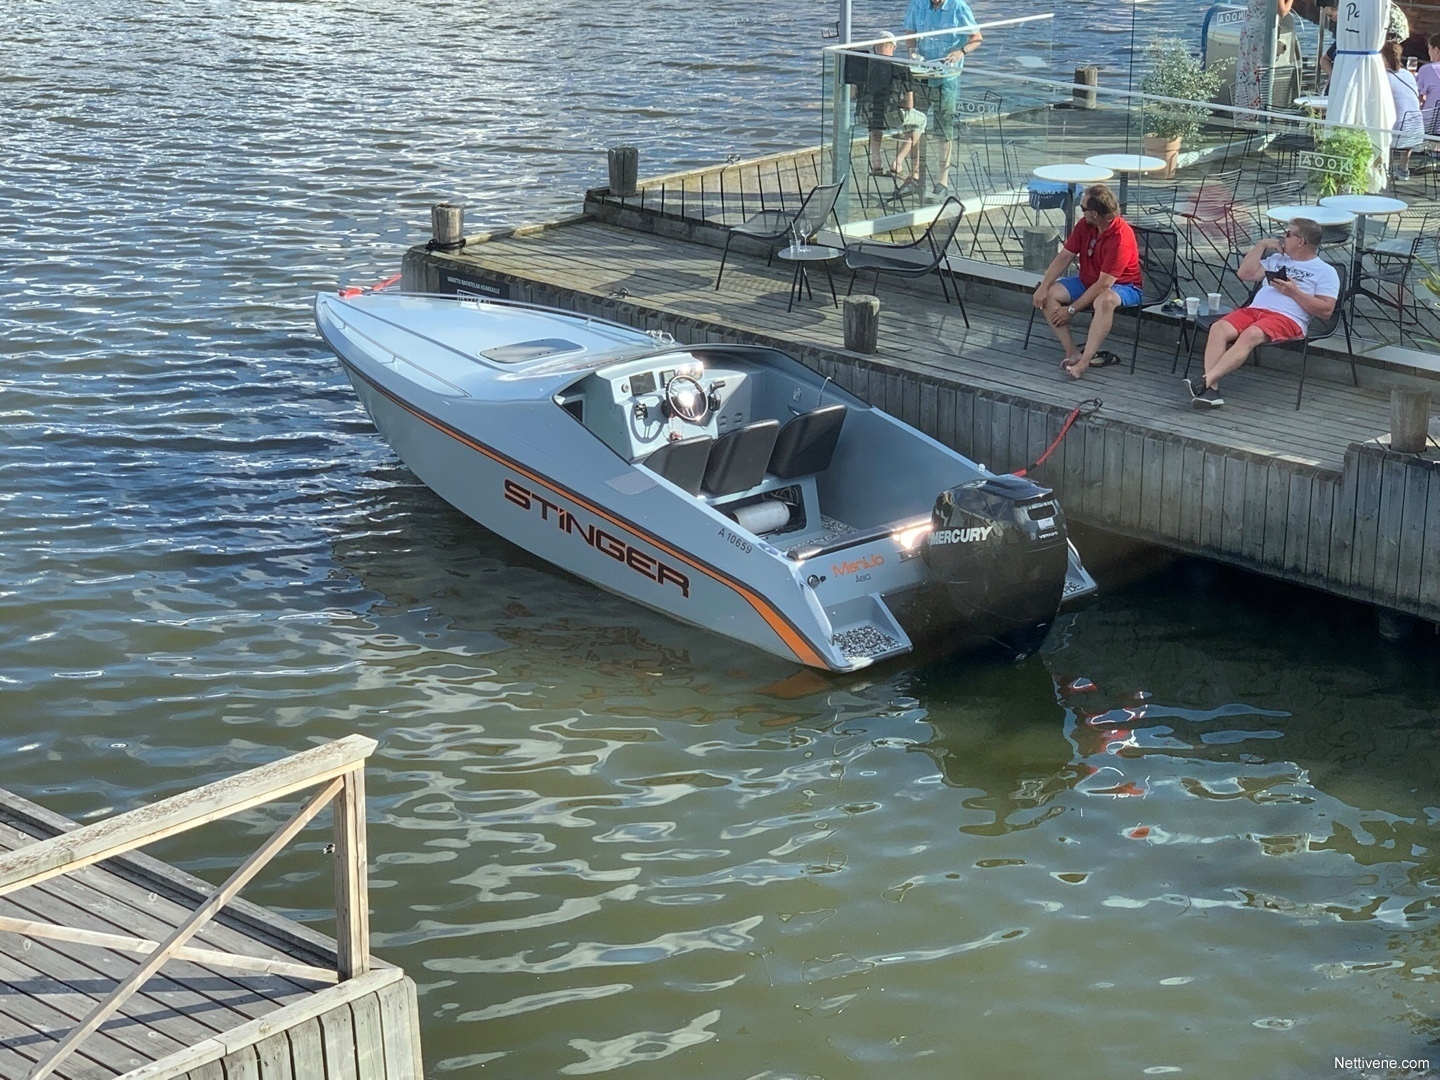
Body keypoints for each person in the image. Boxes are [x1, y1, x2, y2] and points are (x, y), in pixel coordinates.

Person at [1183, 217, 1338, 409]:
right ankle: (1210, 390)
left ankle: (1205, 381)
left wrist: (1293, 291)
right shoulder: (1277, 260)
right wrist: (1262, 244)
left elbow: (1326, 310)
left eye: (1288, 234)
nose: (1283, 237)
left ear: (1300, 241)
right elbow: (1244, 274)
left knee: (1251, 334)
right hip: (1254, 311)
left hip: (1288, 318)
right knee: (1219, 328)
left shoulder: (1325, 272)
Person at [1030, 184, 1144, 380]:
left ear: (1096, 214)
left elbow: (1104, 285)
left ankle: (1084, 362)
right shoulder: (1086, 225)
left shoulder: (1121, 237)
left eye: (1083, 208)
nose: (1080, 211)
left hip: (1124, 286)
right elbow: (1065, 256)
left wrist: (1071, 310)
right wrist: (1044, 285)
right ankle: (1072, 352)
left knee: (1105, 300)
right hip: (1088, 280)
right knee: (1049, 294)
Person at [901, 0, 982, 197]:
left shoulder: (958, 7)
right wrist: (912, 51)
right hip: (922, 74)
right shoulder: (918, 4)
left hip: (947, 77)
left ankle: (942, 182)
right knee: (914, 125)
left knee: (944, 129)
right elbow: (910, 34)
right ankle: (916, 177)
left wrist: (961, 51)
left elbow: (976, 38)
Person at [858, 32, 924, 191]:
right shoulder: (901, 68)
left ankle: (876, 162)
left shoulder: (864, 67)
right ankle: (899, 161)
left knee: (876, 118)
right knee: (921, 121)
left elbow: (854, 94)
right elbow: (909, 104)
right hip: (894, 117)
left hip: (866, 115)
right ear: (893, 48)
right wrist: (897, 103)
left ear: (875, 47)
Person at [1235, 0, 1296, 113]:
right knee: (1261, 73)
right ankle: (1259, 115)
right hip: (1263, 31)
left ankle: (1244, 113)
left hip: (1248, 29)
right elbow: (1282, 11)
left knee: (1246, 71)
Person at [1384, 39, 1425, 178]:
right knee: (1403, 117)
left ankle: (1385, 167)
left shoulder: (1383, 77)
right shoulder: (1408, 74)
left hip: (1398, 135)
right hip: (1417, 131)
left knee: (1381, 121)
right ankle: (1403, 168)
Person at [1416, 33, 1440, 132]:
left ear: (1436, 50)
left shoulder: (1428, 69)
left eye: (1429, 48)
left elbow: (1416, 97)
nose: (1428, 52)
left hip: (1431, 126)